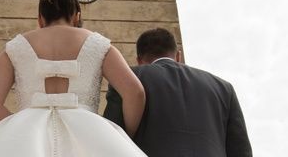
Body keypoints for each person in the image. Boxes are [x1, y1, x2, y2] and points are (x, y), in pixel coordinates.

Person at [0, 0, 147, 156]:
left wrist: (19, 130)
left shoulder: (14, 48)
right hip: (91, 136)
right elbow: (135, 92)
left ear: (40, 18)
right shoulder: (99, 45)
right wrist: (124, 136)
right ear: (77, 15)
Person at [103, 28, 252, 157]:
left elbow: (111, 138)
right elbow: (241, 151)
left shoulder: (128, 79)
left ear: (139, 60)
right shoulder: (224, 88)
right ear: (178, 56)